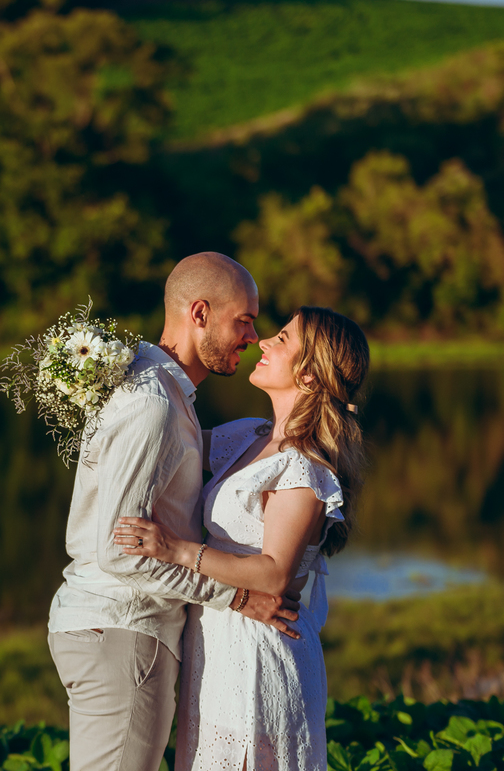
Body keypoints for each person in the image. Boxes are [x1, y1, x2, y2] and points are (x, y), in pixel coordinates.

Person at [47, 252, 303, 771]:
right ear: (200, 313)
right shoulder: (153, 404)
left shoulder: (158, 389)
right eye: (244, 321)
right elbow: (121, 553)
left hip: (116, 628)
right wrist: (236, 597)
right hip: (124, 626)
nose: (252, 337)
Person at [114, 306, 369, 770]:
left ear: (309, 375)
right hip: (218, 638)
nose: (264, 342)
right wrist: (103, 379)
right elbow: (166, 435)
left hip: (260, 648)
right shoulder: (249, 436)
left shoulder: (303, 466)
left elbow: (274, 574)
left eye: (283, 339)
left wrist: (175, 549)